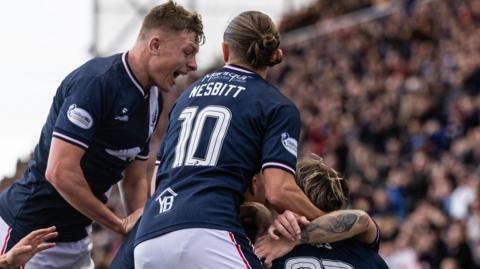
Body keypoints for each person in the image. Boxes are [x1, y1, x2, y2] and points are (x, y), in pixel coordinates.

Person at [0, 1, 204, 268]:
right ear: (154, 45)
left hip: (76, 240)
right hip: (30, 235)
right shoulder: (97, 82)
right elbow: (60, 171)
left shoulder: (154, 98)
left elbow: (132, 181)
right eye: (187, 52)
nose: (193, 65)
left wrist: (141, 227)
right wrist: (118, 224)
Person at [133, 10, 324, 269]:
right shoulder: (276, 105)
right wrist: (328, 221)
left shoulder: (186, 97)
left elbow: (156, 183)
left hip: (150, 239)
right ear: (274, 54)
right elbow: (280, 191)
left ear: (225, 51)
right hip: (209, 232)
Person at [254, 156, 389, 269]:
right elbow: (362, 219)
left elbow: (363, 219)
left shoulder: (268, 248)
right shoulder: (365, 253)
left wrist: (293, 238)